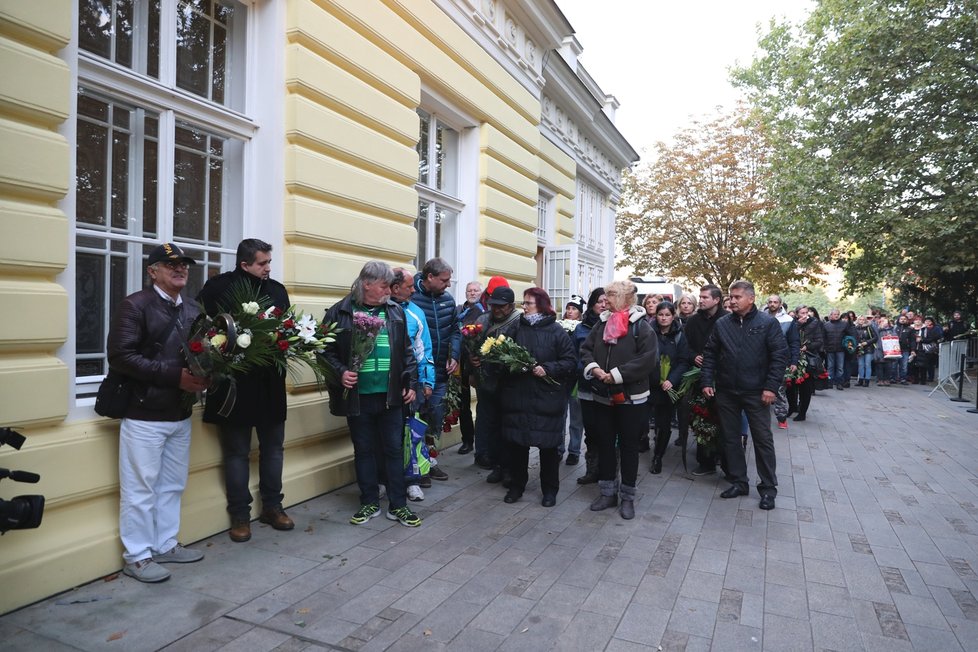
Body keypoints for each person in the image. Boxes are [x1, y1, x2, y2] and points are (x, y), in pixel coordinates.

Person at [108, 242, 209, 583]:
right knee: (140, 488)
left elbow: (204, 353)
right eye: (171, 265)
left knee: (171, 485)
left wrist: (208, 374)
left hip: (179, 413)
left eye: (183, 265)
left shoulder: (193, 309)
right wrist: (175, 376)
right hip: (144, 414)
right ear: (152, 272)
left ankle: (165, 544)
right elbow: (121, 356)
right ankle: (137, 556)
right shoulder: (135, 306)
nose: (180, 269)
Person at [197, 238, 294, 543]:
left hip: (270, 383)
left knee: (274, 448)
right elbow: (202, 330)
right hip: (233, 385)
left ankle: (273, 506)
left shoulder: (277, 290)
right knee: (237, 452)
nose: (268, 268)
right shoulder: (218, 288)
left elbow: (287, 329)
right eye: (263, 263)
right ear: (244, 264)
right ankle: (240, 515)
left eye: (269, 262)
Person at [321, 261, 421, 527]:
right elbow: (324, 351)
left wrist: (411, 384)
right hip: (358, 396)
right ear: (367, 283)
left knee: (393, 450)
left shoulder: (395, 311)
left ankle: (399, 505)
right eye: (384, 285)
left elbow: (407, 353)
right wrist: (341, 371)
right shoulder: (340, 312)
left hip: (391, 396)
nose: (389, 290)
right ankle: (368, 502)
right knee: (364, 450)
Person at [701, 280, 787, 511]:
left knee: (762, 440)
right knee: (731, 438)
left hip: (757, 393)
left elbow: (779, 356)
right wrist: (707, 380)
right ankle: (739, 482)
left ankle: (768, 488)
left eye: (737, 297)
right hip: (727, 391)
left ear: (751, 298)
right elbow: (710, 353)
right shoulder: (722, 324)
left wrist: (770, 388)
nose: (732, 300)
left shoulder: (767, 323)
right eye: (731, 297)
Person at [581, 280, 658, 520]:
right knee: (605, 444)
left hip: (631, 398)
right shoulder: (602, 324)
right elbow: (586, 350)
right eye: (606, 295)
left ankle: (627, 497)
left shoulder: (642, 328)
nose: (605, 300)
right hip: (603, 396)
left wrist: (614, 375)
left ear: (626, 298)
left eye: (611, 295)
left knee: (629, 447)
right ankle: (607, 493)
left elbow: (647, 360)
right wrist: (595, 369)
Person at [499, 288, 577, 506]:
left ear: (541, 305)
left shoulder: (556, 331)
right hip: (519, 396)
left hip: (546, 398)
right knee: (518, 446)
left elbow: (570, 361)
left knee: (549, 448)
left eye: (528, 303)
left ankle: (549, 491)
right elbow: (503, 357)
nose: (524, 307)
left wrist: (548, 368)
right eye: (523, 303)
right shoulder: (516, 328)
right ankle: (516, 487)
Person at [411, 258, 462, 481]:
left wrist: (455, 355)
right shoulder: (410, 297)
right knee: (416, 421)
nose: (448, 284)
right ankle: (415, 466)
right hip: (418, 376)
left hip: (441, 372)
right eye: (445, 280)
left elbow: (456, 331)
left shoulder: (448, 301)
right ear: (429, 277)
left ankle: (430, 462)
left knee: (434, 420)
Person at [390, 268, 436, 502]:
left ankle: (412, 480)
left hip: (412, 382)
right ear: (395, 288)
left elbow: (424, 349)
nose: (413, 289)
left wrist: (428, 380)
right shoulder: (381, 309)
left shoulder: (416, 312)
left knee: (412, 433)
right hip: (386, 384)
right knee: (388, 435)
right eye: (409, 286)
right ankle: (385, 479)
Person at [470, 285, 521, 483]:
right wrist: (472, 361)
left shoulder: (518, 322)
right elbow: (473, 346)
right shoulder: (483, 320)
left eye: (501, 306)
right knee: (486, 420)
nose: (496, 310)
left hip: (507, 383)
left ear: (510, 306)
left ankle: (505, 465)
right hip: (485, 381)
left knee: (505, 425)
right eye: (493, 305)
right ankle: (487, 458)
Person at [684, 285, 729, 476]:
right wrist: (693, 356)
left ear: (717, 300)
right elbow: (684, 345)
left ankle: (726, 460)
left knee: (723, 421)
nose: (700, 300)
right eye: (700, 297)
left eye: (704, 297)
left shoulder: (727, 319)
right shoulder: (693, 321)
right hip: (698, 374)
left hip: (723, 377)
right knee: (701, 417)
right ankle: (706, 461)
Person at [649, 301, 691, 475]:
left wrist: (671, 380)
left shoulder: (680, 335)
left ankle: (658, 456)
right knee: (650, 422)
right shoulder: (649, 333)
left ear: (673, 316)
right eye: (660, 314)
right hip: (650, 384)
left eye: (667, 315)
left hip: (668, 387)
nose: (663, 318)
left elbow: (683, 361)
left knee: (664, 423)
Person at [573, 288, 608, 485]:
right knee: (591, 430)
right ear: (592, 304)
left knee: (607, 431)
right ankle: (592, 470)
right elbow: (576, 356)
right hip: (587, 386)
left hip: (608, 386)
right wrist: (588, 370)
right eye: (599, 301)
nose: (603, 305)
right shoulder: (582, 328)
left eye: (606, 301)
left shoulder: (614, 324)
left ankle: (607, 471)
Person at [455, 281, 485, 456]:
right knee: (462, 403)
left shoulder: (482, 311)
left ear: (480, 293)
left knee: (479, 403)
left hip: (472, 364)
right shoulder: (459, 310)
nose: (472, 293)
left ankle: (480, 441)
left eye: (475, 290)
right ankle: (467, 440)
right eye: (469, 290)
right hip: (457, 362)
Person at [765, 294, 800, 428]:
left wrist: (794, 361)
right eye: (770, 301)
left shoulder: (788, 320)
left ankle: (781, 417)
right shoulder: (760, 317)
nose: (772, 304)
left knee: (779, 389)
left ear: (780, 304)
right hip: (761, 359)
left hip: (780, 360)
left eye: (775, 302)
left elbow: (794, 342)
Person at [558, 294, 586, 465]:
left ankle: (574, 450)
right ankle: (558, 447)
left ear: (580, 312)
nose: (570, 311)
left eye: (574, 309)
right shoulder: (558, 326)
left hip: (576, 377)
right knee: (559, 415)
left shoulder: (583, 328)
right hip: (561, 376)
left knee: (576, 417)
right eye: (568, 308)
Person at [788, 305, 823, 421]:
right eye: (802, 313)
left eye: (806, 312)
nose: (804, 315)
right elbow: (788, 337)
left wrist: (807, 346)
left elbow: (819, 341)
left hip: (808, 358)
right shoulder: (792, 323)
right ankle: (792, 407)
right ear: (797, 314)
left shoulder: (814, 323)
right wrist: (798, 324)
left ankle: (802, 412)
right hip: (793, 357)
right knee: (791, 385)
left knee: (805, 387)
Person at [823, 309, 855, 390]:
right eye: (834, 314)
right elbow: (823, 338)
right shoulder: (826, 325)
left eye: (837, 314)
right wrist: (824, 347)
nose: (836, 315)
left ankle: (839, 383)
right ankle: (830, 382)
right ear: (831, 315)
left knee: (840, 367)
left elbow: (850, 335)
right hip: (830, 349)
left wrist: (848, 344)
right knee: (830, 366)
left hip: (841, 349)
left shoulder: (844, 324)